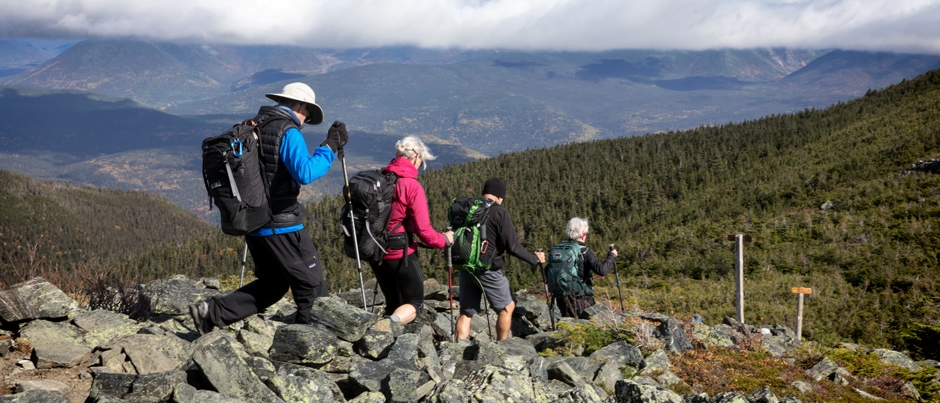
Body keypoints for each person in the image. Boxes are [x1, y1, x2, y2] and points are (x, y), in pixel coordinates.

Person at [189, 82, 347, 334]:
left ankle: (211, 313)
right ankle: (312, 340)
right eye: (307, 112)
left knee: (273, 283)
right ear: (301, 105)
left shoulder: (252, 125)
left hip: (253, 221)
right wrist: (330, 146)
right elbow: (305, 172)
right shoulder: (288, 131)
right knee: (311, 283)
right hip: (281, 224)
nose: (305, 119)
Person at [371, 136, 454, 324]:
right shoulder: (411, 186)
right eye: (422, 160)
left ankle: (382, 341)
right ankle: (384, 327)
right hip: (400, 253)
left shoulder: (380, 180)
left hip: (375, 252)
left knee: (393, 302)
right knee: (415, 303)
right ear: (415, 157)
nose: (421, 164)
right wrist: (444, 240)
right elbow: (423, 230)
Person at [455, 178, 546, 341]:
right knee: (507, 307)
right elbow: (513, 246)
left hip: (466, 268)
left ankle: (457, 347)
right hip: (487, 269)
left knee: (466, 312)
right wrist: (534, 259)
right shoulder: (499, 212)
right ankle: (502, 347)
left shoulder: (470, 208)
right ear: (500, 196)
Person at [552, 217, 618, 319]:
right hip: (580, 298)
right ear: (583, 234)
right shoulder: (584, 250)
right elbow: (602, 270)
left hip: (561, 298)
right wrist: (612, 256)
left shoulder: (561, 248)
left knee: (568, 327)